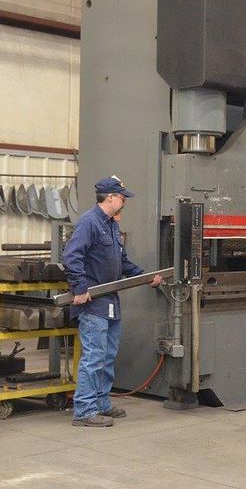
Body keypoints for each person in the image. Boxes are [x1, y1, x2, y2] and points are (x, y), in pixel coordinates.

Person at [63, 176, 162, 427]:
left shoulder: (111, 225)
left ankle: (101, 403)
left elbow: (122, 261)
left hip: (111, 300)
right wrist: (80, 287)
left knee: (107, 356)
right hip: (93, 301)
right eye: (122, 197)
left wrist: (144, 276)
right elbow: (72, 256)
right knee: (94, 356)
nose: (124, 201)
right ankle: (84, 411)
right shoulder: (89, 223)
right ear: (110, 198)